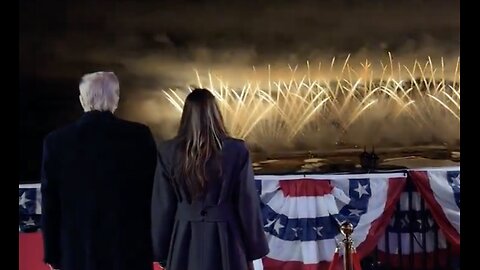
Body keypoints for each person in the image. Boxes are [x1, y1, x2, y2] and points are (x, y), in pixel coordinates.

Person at [40, 71, 157, 270]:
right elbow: (153, 195)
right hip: (129, 249)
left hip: (78, 252)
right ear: (116, 98)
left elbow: (50, 202)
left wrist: (52, 254)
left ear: (82, 99)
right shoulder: (139, 136)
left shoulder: (57, 141)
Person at [151, 88, 269, 270]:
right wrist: (253, 248)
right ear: (215, 113)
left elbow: (163, 207)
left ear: (186, 115)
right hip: (227, 239)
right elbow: (247, 204)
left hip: (184, 240)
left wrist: (162, 251)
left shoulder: (168, 152)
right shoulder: (236, 150)